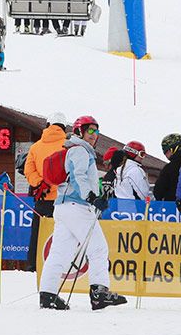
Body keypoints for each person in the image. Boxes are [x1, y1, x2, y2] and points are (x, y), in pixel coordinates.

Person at [38, 115, 127, 311]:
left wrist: (97, 194)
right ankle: (99, 293)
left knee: (60, 253)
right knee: (98, 249)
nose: (94, 135)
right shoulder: (79, 151)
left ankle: (48, 294)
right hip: (76, 206)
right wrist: (91, 198)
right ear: (79, 131)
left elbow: (80, 179)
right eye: (90, 131)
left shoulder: (76, 150)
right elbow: (78, 177)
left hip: (64, 207)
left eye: (97, 131)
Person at [25, 113, 69, 272]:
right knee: (63, 236)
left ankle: (32, 265)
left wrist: (40, 183)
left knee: (37, 233)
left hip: (42, 199)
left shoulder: (35, 147)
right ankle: (61, 267)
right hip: (64, 200)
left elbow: (28, 170)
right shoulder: (68, 145)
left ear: (48, 125)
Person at [152, 133, 181, 201]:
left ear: (172, 150)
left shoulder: (169, 168)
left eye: (165, 151)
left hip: (172, 207)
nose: (165, 155)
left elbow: (158, 192)